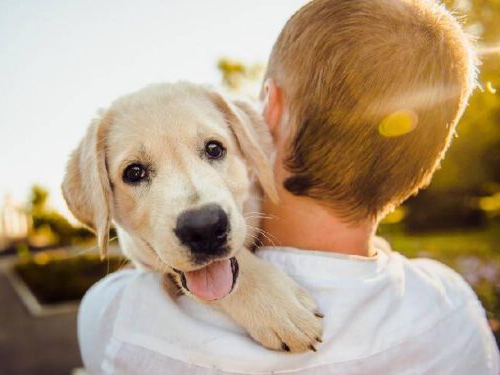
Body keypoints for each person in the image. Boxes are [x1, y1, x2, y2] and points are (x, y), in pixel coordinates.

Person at [78, 0, 500, 373]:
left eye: (212, 148)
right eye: (136, 173)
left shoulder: (119, 320)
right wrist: (243, 284)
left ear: (269, 111)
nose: (199, 209)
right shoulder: (454, 309)